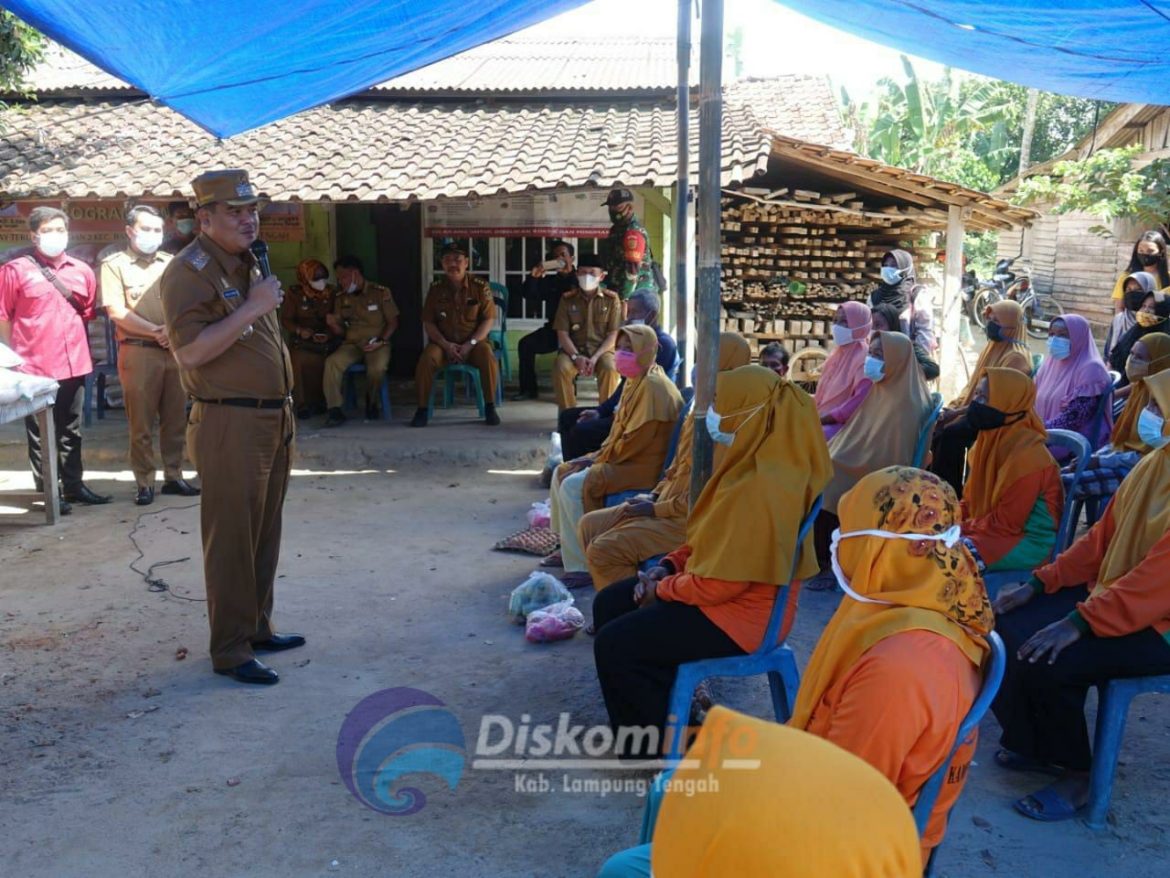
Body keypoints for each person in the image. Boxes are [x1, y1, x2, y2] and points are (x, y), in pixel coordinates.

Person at [592, 365, 831, 757]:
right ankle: (665, 713)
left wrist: (661, 589)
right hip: (721, 595)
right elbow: (705, 541)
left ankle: (657, 746)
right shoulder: (751, 463)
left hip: (741, 619)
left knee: (616, 645)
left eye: (722, 404)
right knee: (610, 603)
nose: (713, 414)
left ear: (750, 411)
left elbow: (721, 585)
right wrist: (667, 566)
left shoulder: (763, 490)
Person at [991, 370, 1170, 822]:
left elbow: (1159, 581)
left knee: (1054, 657)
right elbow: (1100, 541)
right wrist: (1040, 582)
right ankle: (1035, 744)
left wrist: (1079, 622)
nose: (1147, 416)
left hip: (1160, 621)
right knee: (1009, 623)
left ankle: (1078, 776)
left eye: (1157, 407)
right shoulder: (1156, 462)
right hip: (1119, 594)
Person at [791, 466, 993, 865]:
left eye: (850, 527)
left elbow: (841, 810)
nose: (839, 539)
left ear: (886, 544)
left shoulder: (901, 667)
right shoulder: (910, 608)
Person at [159, 169, 303, 686]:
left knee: (265, 529)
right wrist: (252, 308)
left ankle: (258, 627)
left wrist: (255, 302)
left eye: (252, 209)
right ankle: (230, 648)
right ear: (204, 218)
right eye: (235, 211)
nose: (249, 219)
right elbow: (191, 351)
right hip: (229, 419)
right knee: (231, 538)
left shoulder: (249, 262)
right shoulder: (187, 272)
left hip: (271, 416)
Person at [596, 707, 921, 878]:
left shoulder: (896, 673)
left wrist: (667, 589)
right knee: (669, 787)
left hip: (822, 819)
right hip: (841, 805)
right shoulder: (889, 629)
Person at [578, 333, 751, 591]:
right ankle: (613, 600)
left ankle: (623, 612)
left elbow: (706, 498)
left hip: (689, 520)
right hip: (665, 503)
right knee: (589, 524)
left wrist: (656, 509)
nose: (701, 367)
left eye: (710, 361)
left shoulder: (727, 423)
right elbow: (676, 468)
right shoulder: (700, 407)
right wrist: (654, 497)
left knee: (604, 549)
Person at [548, 325, 682, 588]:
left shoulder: (655, 387)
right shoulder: (637, 381)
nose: (622, 355)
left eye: (629, 350)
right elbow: (619, 432)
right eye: (620, 349)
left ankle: (581, 565)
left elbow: (636, 444)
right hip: (624, 457)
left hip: (641, 466)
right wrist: (596, 455)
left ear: (648, 351)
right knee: (562, 470)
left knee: (574, 485)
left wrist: (597, 460)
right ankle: (566, 546)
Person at [0, 205, 108, 514]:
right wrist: (12, 361)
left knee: (71, 428)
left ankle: (74, 486)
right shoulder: (14, 270)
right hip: (33, 366)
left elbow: (86, 312)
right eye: (48, 230)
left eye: (60, 230)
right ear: (34, 235)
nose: (55, 236)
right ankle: (49, 491)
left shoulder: (82, 270)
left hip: (74, 362)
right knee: (40, 433)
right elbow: (3, 316)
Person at [808, 331, 934, 590]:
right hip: (861, 458)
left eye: (879, 355)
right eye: (871, 353)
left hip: (879, 471)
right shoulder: (886, 387)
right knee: (821, 464)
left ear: (897, 361)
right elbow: (861, 431)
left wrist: (842, 456)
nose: (871, 360)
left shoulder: (905, 403)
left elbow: (891, 453)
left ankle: (826, 562)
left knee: (827, 480)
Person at [100, 204, 199, 506]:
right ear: (130, 231)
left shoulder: (172, 263)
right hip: (139, 351)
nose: (153, 235)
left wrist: (170, 331)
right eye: (146, 229)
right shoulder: (113, 265)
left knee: (175, 418)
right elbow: (116, 310)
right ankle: (144, 481)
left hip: (172, 351)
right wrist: (156, 331)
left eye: (157, 230)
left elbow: (186, 303)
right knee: (140, 422)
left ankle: (174, 475)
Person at [556, 290, 677, 462]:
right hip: (622, 409)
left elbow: (640, 398)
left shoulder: (661, 345)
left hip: (636, 417)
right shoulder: (634, 337)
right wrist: (600, 411)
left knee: (582, 430)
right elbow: (624, 387)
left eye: (635, 312)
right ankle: (571, 467)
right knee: (567, 417)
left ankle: (584, 470)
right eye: (629, 312)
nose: (628, 318)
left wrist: (611, 415)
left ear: (652, 315)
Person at [961, 369, 1062, 574]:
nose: (976, 402)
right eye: (977, 394)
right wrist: (947, 517)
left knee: (947, 557)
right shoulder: (988, 441)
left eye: (985, 397)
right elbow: (971, 502)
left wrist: (959, 528)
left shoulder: (1029, 458)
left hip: (1027, 541)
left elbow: (1006, 524)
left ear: (1009, 403)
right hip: (991, 530)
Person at [930, 299, 1032, 496]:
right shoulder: (993, 347)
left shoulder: (1016, 358)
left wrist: (958, 413)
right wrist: (956, 405)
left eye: (997, 320)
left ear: (1012, 325)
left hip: (998, 417)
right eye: (990, 319)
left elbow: (996, 400)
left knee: (950, 434)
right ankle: (938, 486)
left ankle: (951, 492)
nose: (990, 325)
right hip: (979, 407)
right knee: (939, 427)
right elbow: (973, 387)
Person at [1071, 333, 1170, 508]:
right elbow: (1120, 442)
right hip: (1122, 459)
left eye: (1140, 357)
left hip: (1143, 472)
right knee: (1058, 476)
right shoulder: (1140, 389)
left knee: (1061, 484)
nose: (1131, 360)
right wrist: (1092, 457)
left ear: (1160, 361)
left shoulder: (1163, 398)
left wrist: (1100, 461)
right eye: (1131, 354)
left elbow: (1151, 455)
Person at [410, 242, 499, 427]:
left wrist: (470, 344)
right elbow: (428, 322)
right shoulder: (435, 289)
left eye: (458, 259)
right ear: (442, 264)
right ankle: (422, 409)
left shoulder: (480, 287)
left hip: (473, 344)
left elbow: (488, 320)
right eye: (447, 260)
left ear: (466, 262)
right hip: (443, 345)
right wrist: (446, 345)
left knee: (487, 356)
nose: (453, 264)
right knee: (427, 359)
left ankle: (490, 407)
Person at [322, 255, 398, 427]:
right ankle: (334, 409)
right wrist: (334, 325)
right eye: (339, 278)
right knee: (332, 363)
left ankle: (372, 400)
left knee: (377, 368)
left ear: (355, 274)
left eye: (343, 277)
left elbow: (393, 322)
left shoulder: (380, 292)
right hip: (352, 344)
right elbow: (341, 332)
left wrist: (381, 340)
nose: (340, 281)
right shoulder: (341, 297)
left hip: (377, 343)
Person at [1035, 315, 1113, 459]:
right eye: (1052, 334)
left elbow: (1073, 418)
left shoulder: (1091, 369)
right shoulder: (1050, 363)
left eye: (1063, 335)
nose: (1054, 339)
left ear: (1078, 337)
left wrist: (1036, 430)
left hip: (1070, 443)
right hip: (1041, 434)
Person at [552, 254, 622, 410]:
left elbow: (613, 334)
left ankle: (606, 416)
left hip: (603, 352)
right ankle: (567, 416)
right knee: (560, 366)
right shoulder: (567, 299)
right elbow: (562, 333)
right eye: (582, 272)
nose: (586, 277)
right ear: (576, 274)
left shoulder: (612, 299)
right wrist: (576, 357)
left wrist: (596, 357)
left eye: (592, 273)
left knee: (610, 368)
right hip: (574, 352)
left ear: (602, 276)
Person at [512, 240, 576, 401]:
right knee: (525, 345)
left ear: (572, 258)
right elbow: (529, 295)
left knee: (569, 355)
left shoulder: (581, 279)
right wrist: (534, 277)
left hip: (576, 333)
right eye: (555, 257)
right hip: (553, 331)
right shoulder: (550, 281)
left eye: (563, 255)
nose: (560, 259)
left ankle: (569, 390)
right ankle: (528, 390)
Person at [281, 258, 338, 420]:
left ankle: (321, 402)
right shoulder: (294, 294)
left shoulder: (332, 292)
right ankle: (302, 404)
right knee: (298, 361)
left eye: (323, 278)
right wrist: (299, 330)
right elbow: (286, 320)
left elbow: (338, 318)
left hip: (325, 340)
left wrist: (328, 333)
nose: (321, 282)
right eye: (316, 278)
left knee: (328, 362)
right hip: (304, 341)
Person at [814, 300, 872, 440]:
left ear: (860, 324)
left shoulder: (863, 358)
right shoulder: (837, 353)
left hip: (845, 426)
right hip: (823, 418)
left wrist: (822, 419)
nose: (837, 326)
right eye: (836, 320)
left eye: (845, 321)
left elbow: (856, 404)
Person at [869, 248, 936, 356]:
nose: (888, 269)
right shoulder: (874, 297)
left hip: (907, 358)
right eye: (885, 265)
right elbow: (869, 331)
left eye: (894, 265)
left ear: (906, 268)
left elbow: (924, 333)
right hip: (880, 358)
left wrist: (918, 363)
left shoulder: (917, 296)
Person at [1108, 271, 1170, 380]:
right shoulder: (1133, 332)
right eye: (1143, 306)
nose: (1145, 311)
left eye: (1151, 308)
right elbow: (1112, 359)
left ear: (1162, 311)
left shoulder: (1163, 340)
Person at [602, 188, 659, 300]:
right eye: (611, 207)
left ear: (630, 207)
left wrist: (625, 300)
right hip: (618, 291)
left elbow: (632, 273)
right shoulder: (616, 230)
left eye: (618, 207)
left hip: (636, 295)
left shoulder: (633, 232)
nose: (613, 210)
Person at [871, 301, 939, 380]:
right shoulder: (869, 347)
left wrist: (898, 370)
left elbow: (932, 369)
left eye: (878, 325)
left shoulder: (906, 346)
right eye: (871, 326)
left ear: (892, 325)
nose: (873, 330)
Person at [1109, 230, 1170, 314]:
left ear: (1161, 252)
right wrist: (1123, 325)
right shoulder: (1127, 277)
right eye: (1141, 251)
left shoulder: (1168, 278)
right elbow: (1119, 308)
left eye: (1150, 251)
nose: (1145, 254)